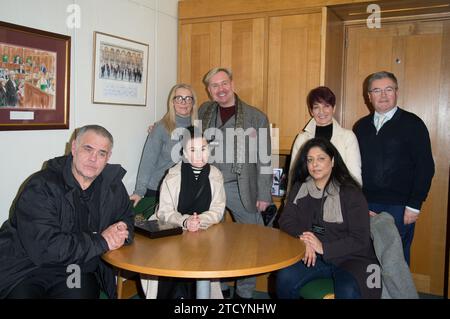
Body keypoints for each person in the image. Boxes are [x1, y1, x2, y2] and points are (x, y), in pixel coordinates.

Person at [0, 125, 134, 299]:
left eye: (101, 153)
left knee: (78, 295)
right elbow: (47, 247)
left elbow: (127, 217)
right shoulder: (41, 186)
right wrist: (102, 241)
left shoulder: (112, 186)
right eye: (88, 149)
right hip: (29, 267)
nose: (93, 158)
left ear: (108, 157)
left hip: (74, 268)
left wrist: (121, 229)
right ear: (73, 148)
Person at [198, 67, 272, 299]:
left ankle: (245, 293)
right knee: (211, 241)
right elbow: (187, 132)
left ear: (232, 83)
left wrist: (264, 195)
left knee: (249, 242)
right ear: (209, 91)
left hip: (242, 187)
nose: (220, 89)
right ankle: (216, 288)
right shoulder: (204, 111)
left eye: (224, 83)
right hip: (209, 188)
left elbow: (265, 158)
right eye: (214, 85)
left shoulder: (256, 116)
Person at [276, 137, 381, 299]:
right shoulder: (300, 188)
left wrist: (323, 247)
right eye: (310, 160)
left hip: (351, 258)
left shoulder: (351, 193)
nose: (314, 164)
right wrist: (305, 239)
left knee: (348, 291)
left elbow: (360, 239)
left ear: (332, 161)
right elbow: (286, 220)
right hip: (314, 256)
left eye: (321, 159)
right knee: (284, 277)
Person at [354, 71, 435, 265]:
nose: (383, 95)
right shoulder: (361, 127)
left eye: (388, 89)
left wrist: (414, 205)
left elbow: (425, 167)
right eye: (377, 90)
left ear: (396, 92)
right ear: (369, 96)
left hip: (399, 208)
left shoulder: (413, 124)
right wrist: (358, 203)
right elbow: (353, 168)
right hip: (367, 205)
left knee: (396, 263)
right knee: (367, 259)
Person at [140, 125, 226, 299]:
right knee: (170, 275)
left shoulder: (215, 175)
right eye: (193, 150)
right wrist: (186, 221)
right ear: (185, 154)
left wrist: (199, 220)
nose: (200, 155)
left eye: (203, 149)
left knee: (203, 271)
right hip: (173, 233)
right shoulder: (172, 176)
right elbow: (164, 211)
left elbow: (218, 209)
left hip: (204, 233)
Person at [130, 83, 198, 219]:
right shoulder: (161, 128)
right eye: (179, 98)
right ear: (172, 102)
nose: (184, 102)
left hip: (186, 190)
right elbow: (148, 161)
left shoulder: (199, 127)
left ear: (193, 102)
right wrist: (139, 192)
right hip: (159, 189)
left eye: (188, 98)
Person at [290, 86, 362, 187]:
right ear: (311, 111)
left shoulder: (348, 137)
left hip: (339, 197)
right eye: (316, 107)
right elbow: (294, 176)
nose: (321, 111)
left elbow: (355, 176)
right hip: (308, 197)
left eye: (326, 106)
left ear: (334, 108)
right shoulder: (301, 139)